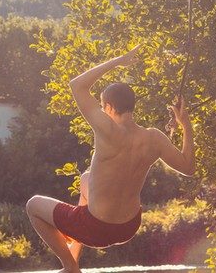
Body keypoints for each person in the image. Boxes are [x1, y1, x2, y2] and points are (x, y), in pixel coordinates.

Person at [26, 46, 195, 273]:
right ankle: (74, 259)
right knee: (86, 178)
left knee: (33, 205)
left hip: (96, 228)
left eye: (103, 106)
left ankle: (69, 267)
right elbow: (188, 167)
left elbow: (77, 85)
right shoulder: (154, 138)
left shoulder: (107, 130)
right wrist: (185, 125)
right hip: (129, 226)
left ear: (108, 107)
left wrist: (118, 60)